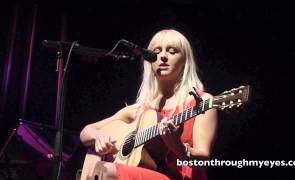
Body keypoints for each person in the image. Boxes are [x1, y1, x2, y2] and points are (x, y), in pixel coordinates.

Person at [80, 29, 218, 180]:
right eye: (156, 52)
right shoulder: (140, 109)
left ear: (185, 60)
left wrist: (175, 144)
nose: (163, 56)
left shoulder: (201, 102)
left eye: (172, 51)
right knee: (100, 169)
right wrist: (99, 136)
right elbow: (86, 132)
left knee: (104, 170)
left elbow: (201, 159)